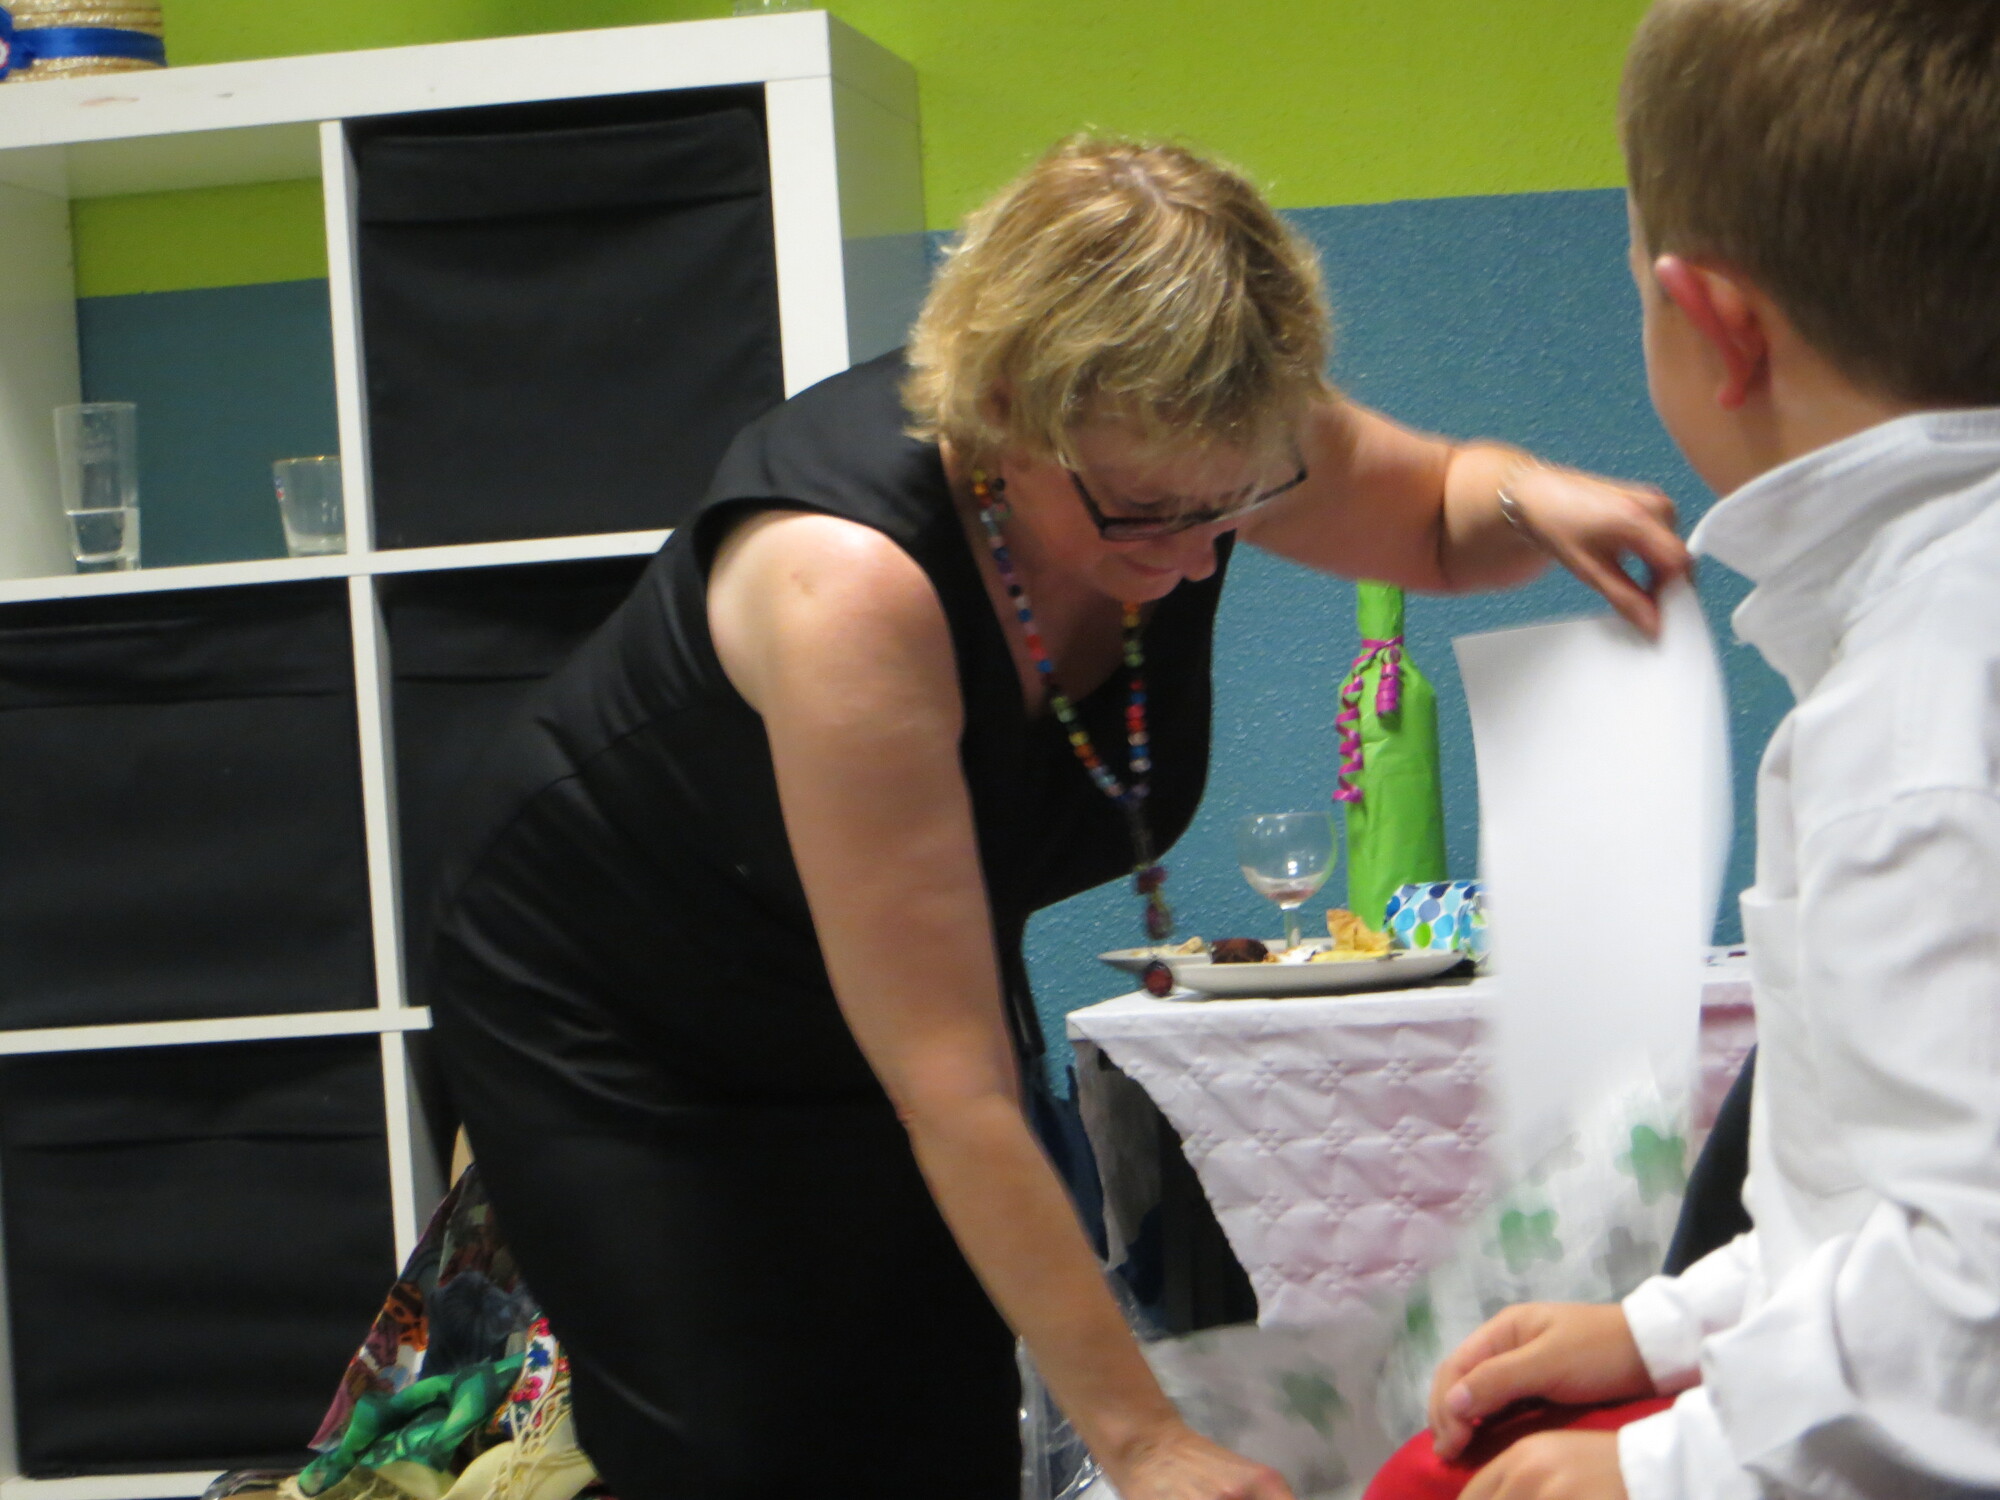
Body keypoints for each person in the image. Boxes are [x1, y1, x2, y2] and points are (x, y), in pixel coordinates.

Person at [426, 134, 1689, 1500]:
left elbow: (1435, 516)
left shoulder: (1208, 430)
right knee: (747, 1444)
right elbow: (954, 1088)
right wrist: (1146, 1443)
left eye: (1234, 508)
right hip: (622, 1007)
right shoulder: (845, 586)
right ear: (1005, 413)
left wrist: (1530, 495)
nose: (1196, 558)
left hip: (876, 995)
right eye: (1145, 514)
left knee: (940, 1411)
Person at [1368, 3, 2000, 1498]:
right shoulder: (1921, 636)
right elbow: (1870, 1194)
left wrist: (1667, 1472)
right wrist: (1668, 1326)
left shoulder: (1919, 724)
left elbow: (1976, 1293)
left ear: (1714, 325)